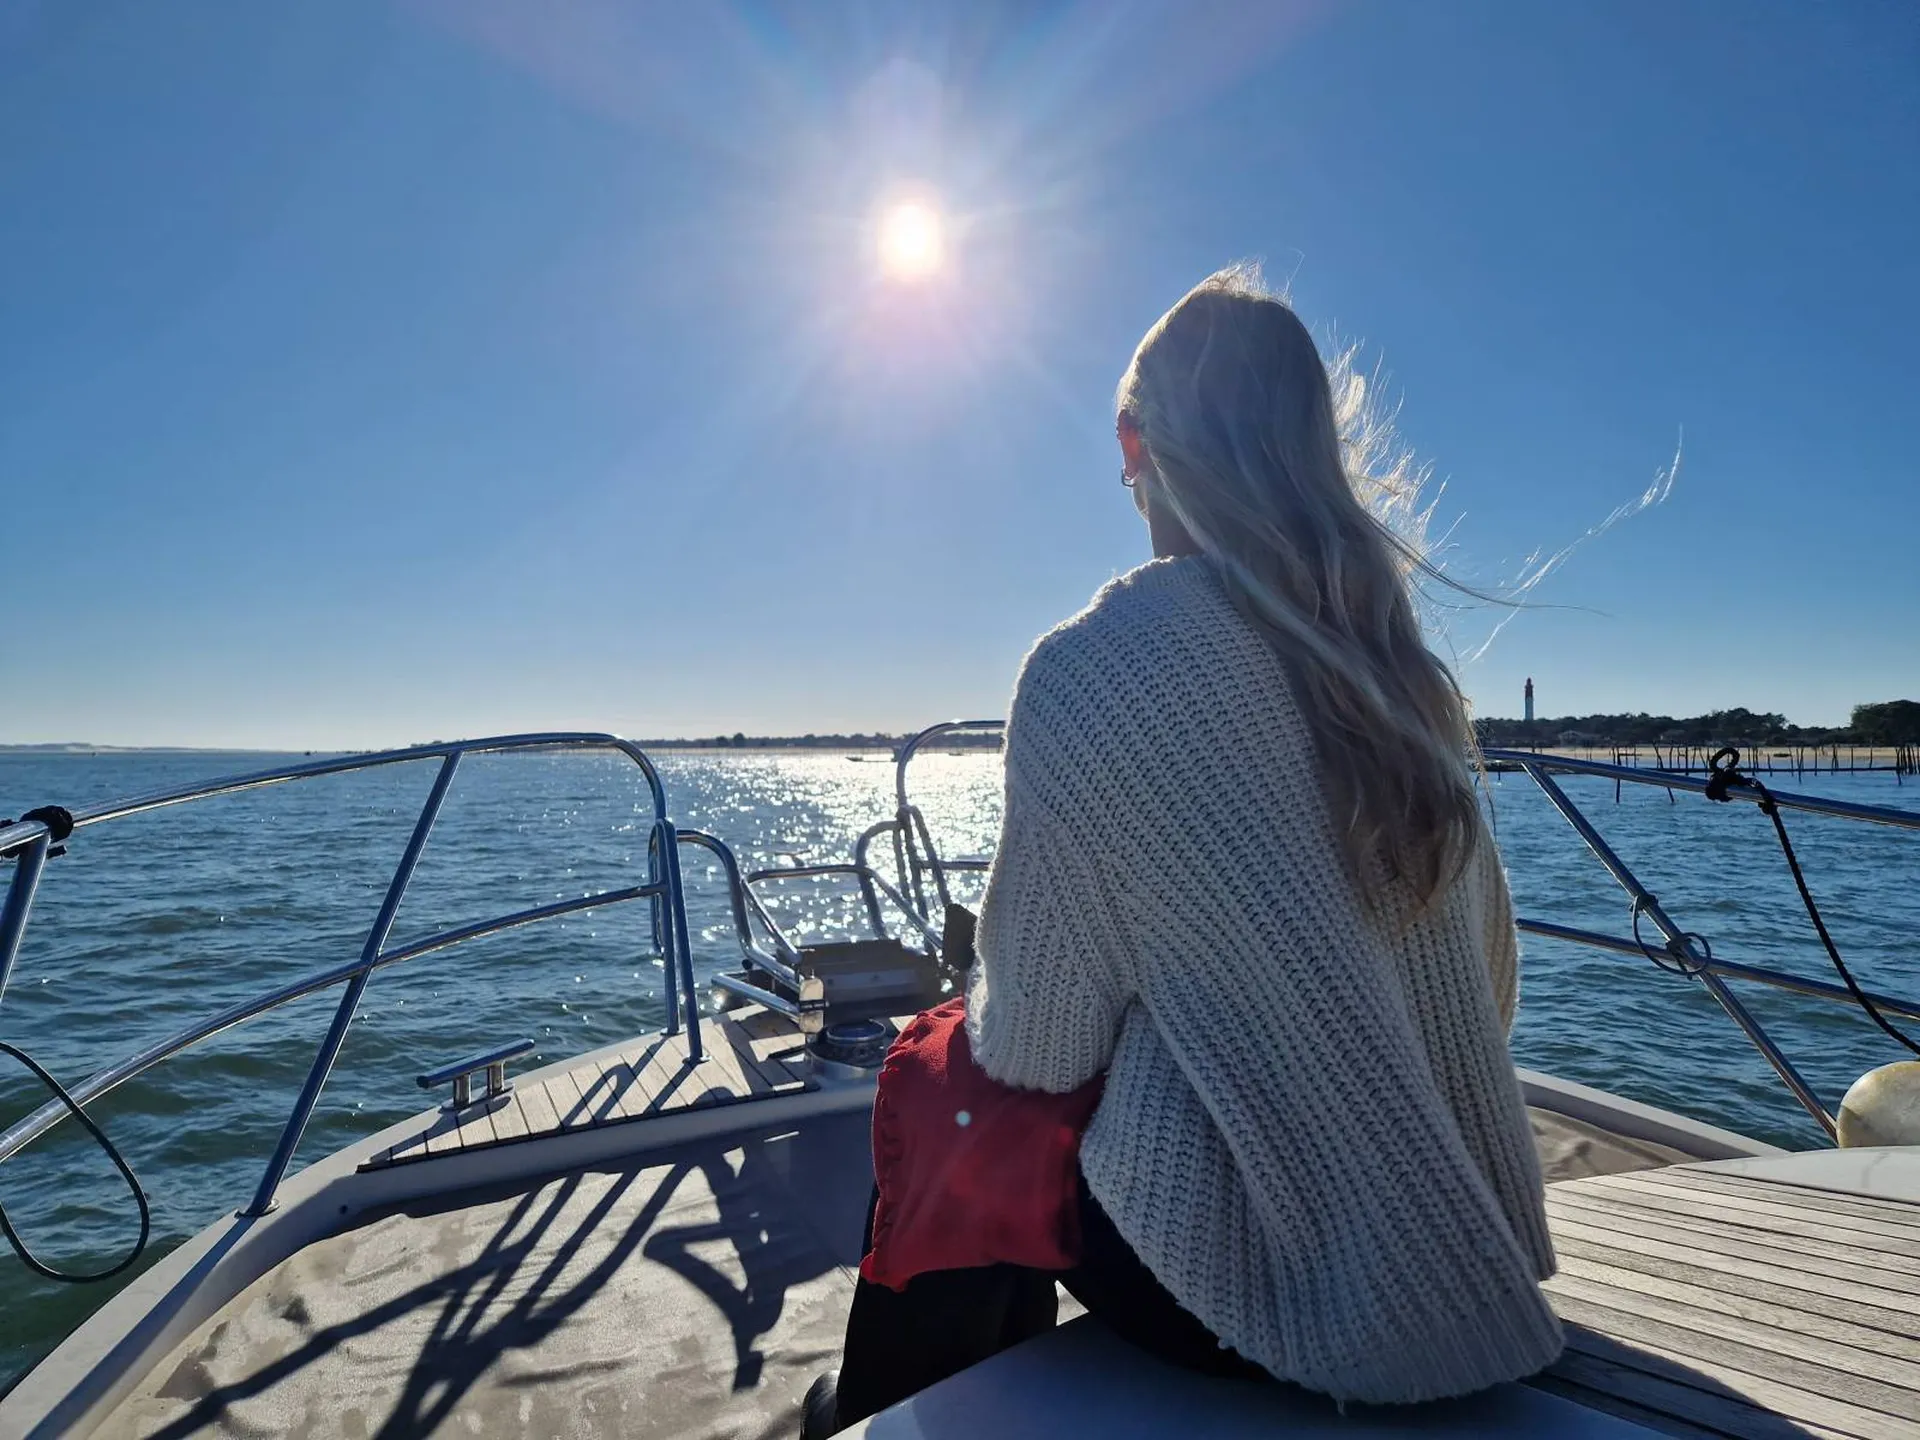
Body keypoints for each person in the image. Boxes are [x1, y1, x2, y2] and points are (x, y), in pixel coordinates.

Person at [806, 266, 1562, 1437]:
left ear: (1131, 446)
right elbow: (1492, 995)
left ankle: (893, 1409)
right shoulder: (1397, 666)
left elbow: (1040, 1049)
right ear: (1316, 446)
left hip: (1258, 1303)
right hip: (1473, 1255)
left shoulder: (1093, 667)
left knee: (946, 1073)